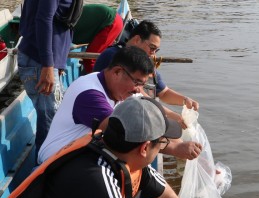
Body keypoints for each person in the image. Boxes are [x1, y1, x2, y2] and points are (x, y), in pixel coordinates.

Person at [3, 96, 233, 198]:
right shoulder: (95, 176)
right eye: (162, 143)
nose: (163, 146)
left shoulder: (120, 154)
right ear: (144, 148)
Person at [38, 46, 202, 165]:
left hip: (81, 152)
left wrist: (179, 140)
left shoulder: (118, 87)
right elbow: (121, 138)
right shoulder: (90, 95)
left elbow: (150, 116)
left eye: (142, 84)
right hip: (55, 161)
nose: (138, 89)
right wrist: (174, 148)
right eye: (137, 82)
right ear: (117, 72)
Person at [94, 20, 199, 128]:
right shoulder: (114, 58)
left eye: (156, 50)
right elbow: (136, 95)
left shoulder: (145, 62)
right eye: (152, 48)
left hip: (144, 112)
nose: (153, 54)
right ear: (137, 40)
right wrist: (169, 115)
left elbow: (163, 92)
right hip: (118, 117)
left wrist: (185, 100)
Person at [17, 0, 80, 156]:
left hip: (46, 60)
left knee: (50, 115)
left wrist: (57, 63)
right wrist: (48, 64)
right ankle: (44, 167)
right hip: (39, 60)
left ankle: (45, 164)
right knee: (50, 118)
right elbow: (43, 19)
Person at [73, 4, 123, 74]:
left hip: (111, 23)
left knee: (89, 59)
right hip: (113, 19)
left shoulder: (62, 28)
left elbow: (89, 58)